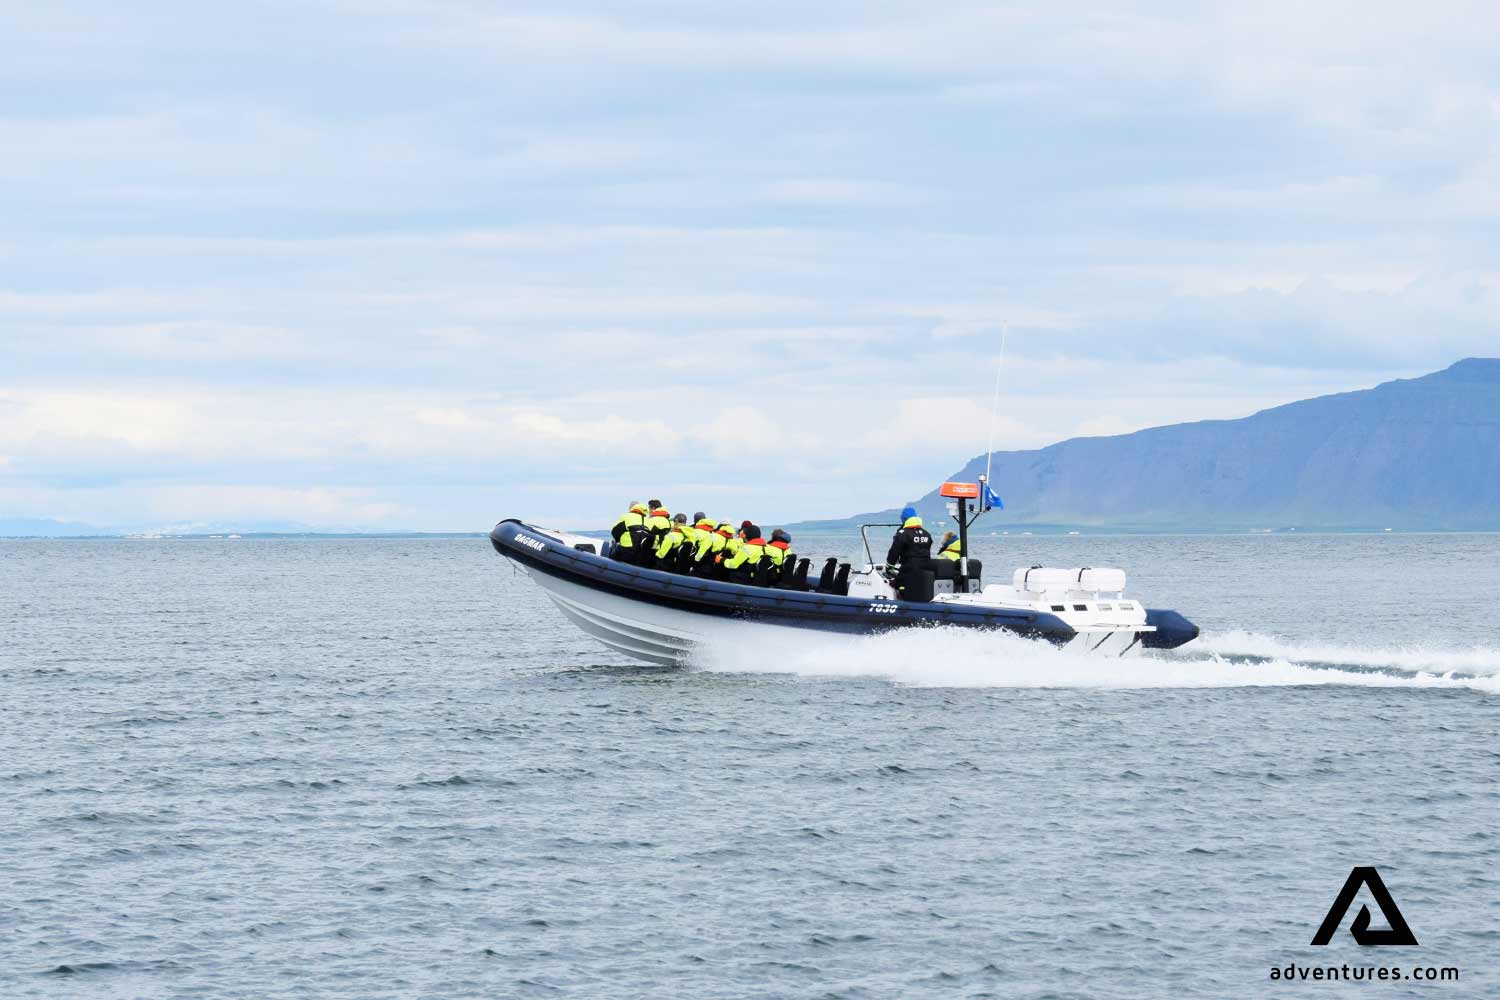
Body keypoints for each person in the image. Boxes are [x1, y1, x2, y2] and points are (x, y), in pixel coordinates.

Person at [886, 505, 932, 596]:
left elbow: (894, 552)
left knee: (893, 584)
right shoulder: (927, 534)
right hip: (924, 572)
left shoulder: (903, 534)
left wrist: (889, 566)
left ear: (903, 519)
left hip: (908, 571)